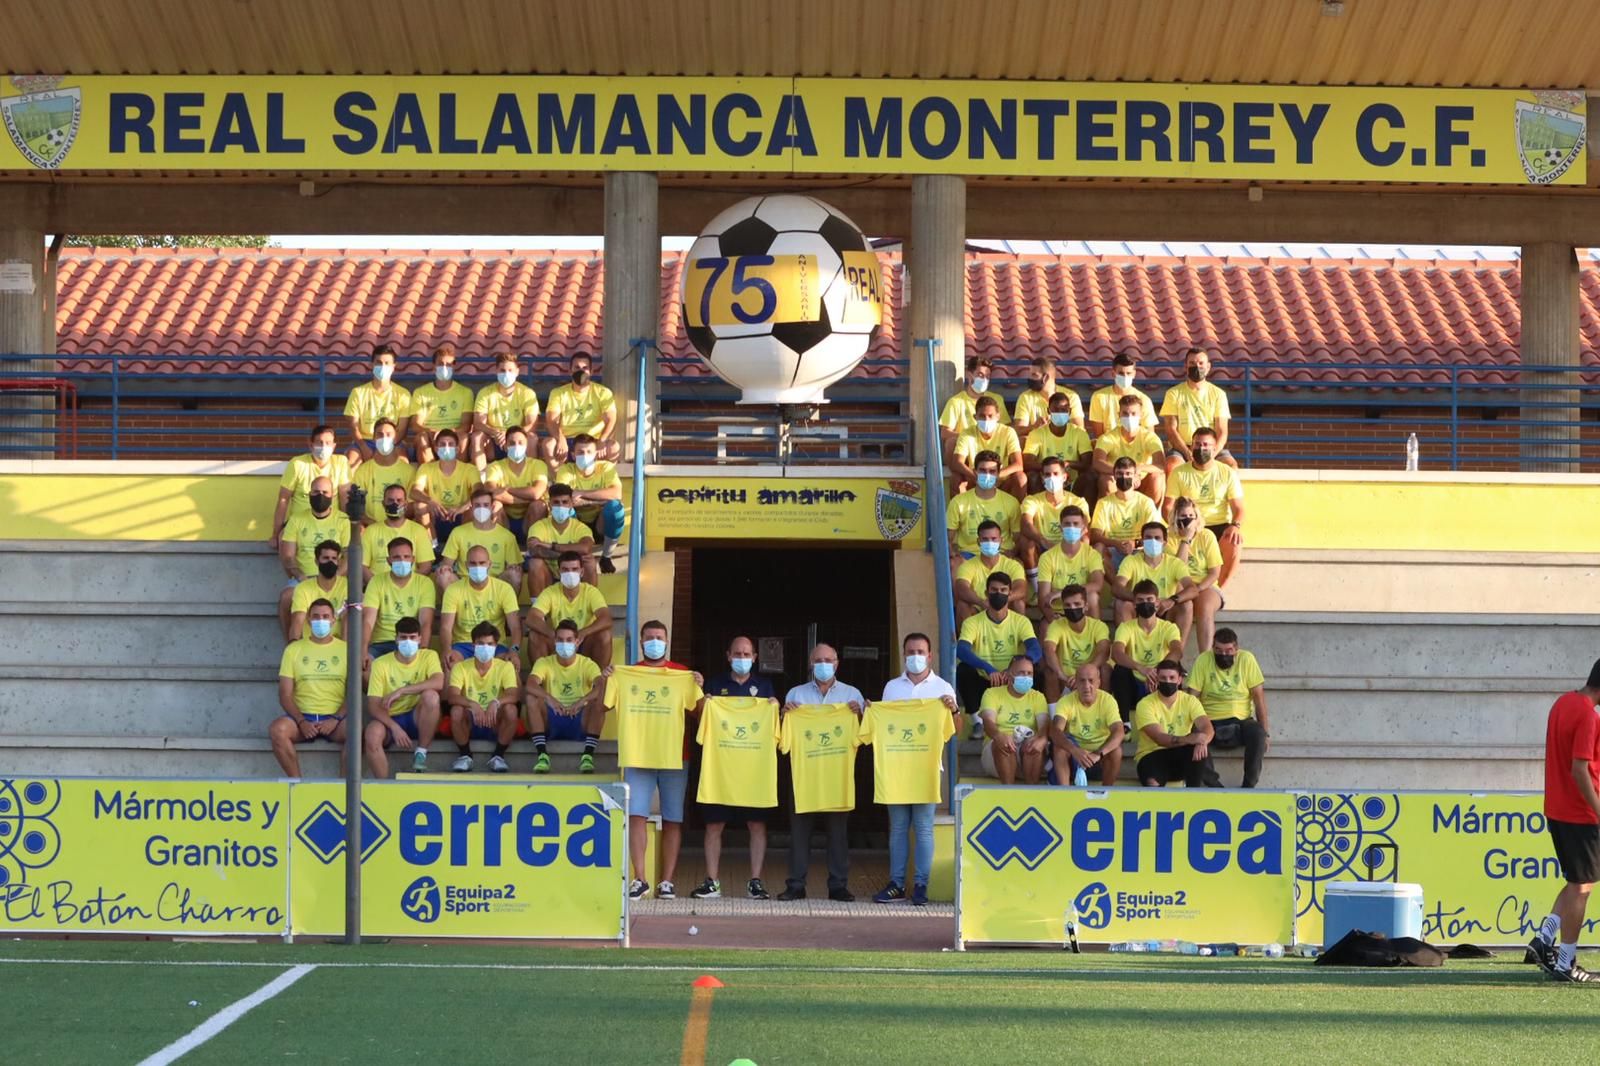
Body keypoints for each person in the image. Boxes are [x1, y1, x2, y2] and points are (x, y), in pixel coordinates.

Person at [609, 619, 704, 901]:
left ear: (667, 641)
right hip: (638, 755)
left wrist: (698, 685)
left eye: (659, 637)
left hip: (676, 755)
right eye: (649, 637)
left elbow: (699, 713)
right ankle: (640, 879)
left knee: (673, 818)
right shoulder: (627, 673)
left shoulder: (681, 674)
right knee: (636, 814)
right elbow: (604, 704)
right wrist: (606, 678)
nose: (654, 641)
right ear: (641, 642)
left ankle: (667, 881)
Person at [1529, 662, 1600, 982]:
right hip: (1579, 812)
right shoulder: (1587, 713)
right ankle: (1565, 963)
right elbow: (1579, 769)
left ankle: (1544, 938)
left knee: (1576, 881)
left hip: (1558, 809)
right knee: (1582, 887)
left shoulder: (1563, 702)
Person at [862, 680, 961, 906]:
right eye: (910, 652)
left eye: (920, 652)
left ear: (928, 657)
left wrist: (953, 709)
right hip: (895, 770)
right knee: (898, 829)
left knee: (924, 829)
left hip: (926, 770)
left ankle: (920, 886)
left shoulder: (943, 688)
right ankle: (896, 885)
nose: (914, 657)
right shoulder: (891, 688)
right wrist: (872, 711)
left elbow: (955, 730)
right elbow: (879, 724)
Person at [780, 643, 867, 902]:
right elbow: (784, 739)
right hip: (803, 777)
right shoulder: (795, 695)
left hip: (836, 777)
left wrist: (860, 715)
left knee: (838, 835)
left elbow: (864, 736)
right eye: (818, 659)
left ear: (837, 663)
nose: (823, 664)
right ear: (810, 663)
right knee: (798, 834)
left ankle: (838, 885)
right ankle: (796, 884)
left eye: (828, 659)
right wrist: (786, 717)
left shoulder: (853, 695)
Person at [691, 659, 781, 902]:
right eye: (737, 653)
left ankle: (755, 882)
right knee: (714, 826)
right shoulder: (715, 684)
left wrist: (774, 707)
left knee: (756, 825)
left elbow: (776, 732)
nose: (742, 657)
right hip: (720, 771)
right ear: (728, 656)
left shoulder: (765, 687)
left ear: (754, 657)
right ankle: (712, 882)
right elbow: (701, 724)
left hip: (753, 772)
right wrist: (704, 705)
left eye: (746, 653)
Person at [270, 599, 348, 778]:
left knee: (357, 733)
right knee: (277, 730)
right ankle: (297, 783)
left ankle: (344, 787)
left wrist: (336, 718)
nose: (321, 621)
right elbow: (285, 694)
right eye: (316, 617)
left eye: (326, 616)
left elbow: (353, 694)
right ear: (308, 620)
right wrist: (301, 721)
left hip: (335, 719)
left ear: (334, 620)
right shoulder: (293, 650)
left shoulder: (346, 650)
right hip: (303, 717)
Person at [362, 616, 444, 778]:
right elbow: (373, 705)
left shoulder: (429, 656)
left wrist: (402, 690)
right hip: (390, 719)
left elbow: (438, 682)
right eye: (403, 637)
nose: (408, 642)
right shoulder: (381, 664)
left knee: (431, 696)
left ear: (420, 638)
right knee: (372, 735)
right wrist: (394, 727)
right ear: (396, 639)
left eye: (412, 637)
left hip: (417, 717)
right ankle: (383, 785)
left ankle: (421, 752)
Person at [1187, 629, 1269, 788]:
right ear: (1212, 648)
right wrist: (1194, 729)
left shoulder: (1247, 659)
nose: (1223, 655)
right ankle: (1215, 788)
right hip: (1210, 722)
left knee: (1258, 734)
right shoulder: (1203, 660)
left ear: (1236, 649)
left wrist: (1266, 732)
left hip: (1241, 721)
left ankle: (1248, 787)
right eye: (1218, 651)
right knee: (1191, 741)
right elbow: (1191, 698)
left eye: (1228, 651)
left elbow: (1259, 699)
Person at [1165, 426, 1246, 587]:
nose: (1201, 448)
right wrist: (1181, 525)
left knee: (1235, 542)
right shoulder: (1179, 473)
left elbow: (1239, 508)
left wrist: (1235, 526)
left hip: (1218, 525)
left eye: (1206, 445)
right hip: (1188, 524)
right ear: (1191, 446)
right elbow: (1168, 506)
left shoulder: (1227, 472)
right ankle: (1180, 590)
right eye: (1197, 444)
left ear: (1215, 448)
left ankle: (1218, 590)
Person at [955, 571, 1042, 719]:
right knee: (964, 670)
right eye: (994, 590)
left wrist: (1014, 668)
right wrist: (988, 669)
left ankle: (1032, 714)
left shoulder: (1021, 621)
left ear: (1010, 593)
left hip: (1012, 679)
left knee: (1036, 671)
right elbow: (962, 650)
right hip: (986, 679)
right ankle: (977, 722)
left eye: (1003, 590)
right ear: (986, 593)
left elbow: (1035, 649)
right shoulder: (973, 622)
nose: (998, 594)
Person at [525, 618, 605, 774]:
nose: (564, 644)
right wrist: (549, 698)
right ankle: (542, 755)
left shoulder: (587, 663)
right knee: (531, 698)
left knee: (600, 699)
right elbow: (530, 684)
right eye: (560, 640)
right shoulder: (544, 662)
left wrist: (582, 701)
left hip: (579, 719)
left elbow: (602, 686)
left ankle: (587, 755)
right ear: (554, 641)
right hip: (553, 717)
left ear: (577, 642)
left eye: (569, 640)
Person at [277, 478, 350, 640]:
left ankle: (346, 652)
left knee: (355, 604)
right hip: (303, 577)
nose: (320, 496)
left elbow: (349, 556)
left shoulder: (343, 520)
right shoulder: (296, 519)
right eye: (316, 492)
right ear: (309, 494)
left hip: (335, 577)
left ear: (333, 495)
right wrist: (299, 575)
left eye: (325, 492)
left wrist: (335, 577)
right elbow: (288, 556)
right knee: (286, 597)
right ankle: (291, 645)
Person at [445, 621, 520, 773]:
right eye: (481, 643)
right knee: (457, 710)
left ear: (496, 646)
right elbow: (452, 697)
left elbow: (514, 694)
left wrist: (496, 702)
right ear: (473, 645)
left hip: (495, 720)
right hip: (471, 720)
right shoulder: (461, 667)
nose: (485, 647)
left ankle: (498, 756)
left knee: (511, 710)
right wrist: (472, 704)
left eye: (490, 644)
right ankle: (465, 756)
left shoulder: (505, 666)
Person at [1132, 659, 1216, 788]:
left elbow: (1207, 727)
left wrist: (1202, 740)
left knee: (1198, 750)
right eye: (1163, 678)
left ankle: (1194, 797)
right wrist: (1190, 739)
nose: (1168, 681)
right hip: (1151, 754)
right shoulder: (1145, 704)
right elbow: (1160, 738)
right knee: (1152, 783)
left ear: (1179, 680)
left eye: (1172, 677)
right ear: (1157, 679)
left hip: (1181, 754)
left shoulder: (1190, 700)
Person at [270, 424, 350, 553]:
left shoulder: (341, 462)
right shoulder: (297, 464)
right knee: (282, 538)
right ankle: (293, 574)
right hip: (299, 523)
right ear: (311, 444)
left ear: (334, 446)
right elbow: (283, 500)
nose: (324, 447)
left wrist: (348, 524)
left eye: (328, 443)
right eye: (320, 442)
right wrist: (276, 533)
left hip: (332, 522)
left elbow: (345, 497)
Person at [437, 544, 522, 666]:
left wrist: (514, 651)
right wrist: (446, 649)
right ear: (466, 565)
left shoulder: (504, 589)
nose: (477, 567)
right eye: (473, 563)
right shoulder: (453, 590)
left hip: (494, 645)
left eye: (482, 563)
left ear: (489, 564)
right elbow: (445, 627)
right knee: (450, 663)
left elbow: (516, 627)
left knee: (511, 664)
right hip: (463, 644)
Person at [553, 434, 626, 574]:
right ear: (573, 455)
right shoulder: (565, 470)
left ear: (596, 454)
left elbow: (616, 494)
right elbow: (564, 499)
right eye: (580, 452)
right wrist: (600, 499)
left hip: (600, 524)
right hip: (576, 523)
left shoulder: (606, 467)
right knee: (564, 508)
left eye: (589, 452)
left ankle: (606, 557)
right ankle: (576, 557)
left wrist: (582, 494)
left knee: (615, 508)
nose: (585, 455)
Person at [527, 551, 612, 668]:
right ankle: (541, 680)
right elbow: (531, 618)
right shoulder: (551, 592)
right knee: (535, 635)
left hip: (583, 643)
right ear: (559, 572)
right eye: (565, 570)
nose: (570, 573)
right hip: (559, 642)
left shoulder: (591, 591)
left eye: (574, 569)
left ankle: (598, 681)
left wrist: (583, 633)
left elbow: (606, 619)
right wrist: (554, 634)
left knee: (605, 635)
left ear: (582, 572)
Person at [1110, 580, 1184, 716]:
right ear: (1134, 604)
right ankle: (1125, 723)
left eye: (1149, 599)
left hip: (1158, 681)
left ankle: (1171, 715)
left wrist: (1157, 672)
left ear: (1157, 603)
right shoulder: (1126, 627)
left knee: (1174, 668)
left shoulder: (1168, 627)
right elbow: (1116, 653)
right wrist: (1141, 668)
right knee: (1120, 670)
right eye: (1140, 600)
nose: (1145, 603)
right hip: (1135, 683)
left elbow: (1177, 651)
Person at [1112, 522, 1194, 641]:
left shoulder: (1175, 563)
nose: (1152, 541)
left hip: (1164, 609)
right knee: (1121, 604)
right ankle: (1127, 650)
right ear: (1142, 541)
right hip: (1140, 608)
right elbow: (1117, 587)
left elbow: (1192, 589)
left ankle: (1176, 655)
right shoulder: (1131, 561)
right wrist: (1139, 599)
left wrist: (1172, 600)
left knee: (1187, 605)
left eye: (1157, 538)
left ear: (1164, 542)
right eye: (1148, 538)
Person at [945, 451, 1021, 579]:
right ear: (975, 472)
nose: (987, 475)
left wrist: (1013, 552)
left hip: (1001, 555)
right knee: (954, 564)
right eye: (982, 470)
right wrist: (953, 553)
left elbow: (1018, 537)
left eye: (992, 471)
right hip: (969, 555)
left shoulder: (1011, 502)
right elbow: (948, 537)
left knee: (1018, 565)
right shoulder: (958, 502)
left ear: (998, 473)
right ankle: (960, 600)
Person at [1161, 346, 1237, 473]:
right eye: (1192, 363)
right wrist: (1187, 452)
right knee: (1171, 467)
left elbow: (1222, 431)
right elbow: (1170, 429)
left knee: (1231, 467)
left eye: (1201, 363)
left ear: (1208, 367)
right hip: (1182, 448)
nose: (1197, 367)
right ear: (1185, 367)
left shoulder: (1219, 394)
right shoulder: (1173, 393)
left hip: (1211, 448)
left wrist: (1212, 454)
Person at [437, 483, 523, 593]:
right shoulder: (458, 532)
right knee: (443, 575)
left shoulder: (507, 536)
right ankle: (453, 609)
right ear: (471, 508)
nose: (481, 509)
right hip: (465, 586)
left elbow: (515, 568)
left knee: (515, 574)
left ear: (492, 507)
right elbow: (446, 564)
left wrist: (514, 569)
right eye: (477, 505)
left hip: (495, 587)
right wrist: (444, 568)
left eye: (486, 505)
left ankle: (508, 609)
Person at [361, 537, 436, 660]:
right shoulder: (376, 581)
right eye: (396, 557)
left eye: (406, 557)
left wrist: (423, 651)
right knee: (365, 668)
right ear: (388, 560)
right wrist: (363, 652)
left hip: (411, 642)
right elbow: (368, 621)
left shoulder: (425, 583)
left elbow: (426, 623)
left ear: (413, 559)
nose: (402, 561)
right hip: (381, 643)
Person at [1018, 455, 1090, 583]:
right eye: (1047, 474)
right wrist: (1043, 541)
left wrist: (1064, 545)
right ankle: (1036, 588)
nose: (1051, 478)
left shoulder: (1077, 501)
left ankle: (1077, 581)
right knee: (1025, 542)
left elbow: (1084, 527)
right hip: (1043, 545)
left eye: (1055, 473)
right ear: (1042, 478)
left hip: (1069, 544)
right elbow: (1025, 525)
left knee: (1085, 539)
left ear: (1064, 477)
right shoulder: (1032, 500)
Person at [1051, 663, 1125, 787]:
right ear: (1076, 682)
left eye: (1091, 681)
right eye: (1082, 681)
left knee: (1116, 751)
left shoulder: (1108, 700)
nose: (1086, 686)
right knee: (1059, 749)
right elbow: (1055, 731)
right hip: (1075, 758)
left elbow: (1119, 731)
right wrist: (1074, 750)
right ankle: (1064, 793)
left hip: (1099, 758)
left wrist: (1098, 754)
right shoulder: (1066, 701)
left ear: (1098, 682)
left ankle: (1105, 792)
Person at [979, 656, 1049, 784]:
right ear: (1009, 675)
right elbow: (988, 723)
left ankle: (1032, 792)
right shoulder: (991, 694)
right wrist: (999, 735)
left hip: (1026, 753)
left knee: (1034, 745)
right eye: (1021, 673)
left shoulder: (1038, 697)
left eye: (1029, 673)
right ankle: (1008, 791)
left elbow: (1044, 727)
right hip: (996, 752)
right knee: (1004, 743)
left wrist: (1042, 739)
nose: (1026, 677)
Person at [1167, 496, 1224, 651]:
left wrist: (1196, 590)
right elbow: (1177, 569)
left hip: (1205, 585)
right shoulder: (1169, 537)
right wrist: (1186, 539)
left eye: (1191, 516)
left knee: (1205, 607)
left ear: (1197, 518)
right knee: (1183, 603)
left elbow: (1214, 573)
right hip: (1179, 584)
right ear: (1175, 517)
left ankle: (1204, 659)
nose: (1188, 520)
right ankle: (1175, 657)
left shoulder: (1207, 536)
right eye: (1183, 516)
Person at [542, 353, 619, 464]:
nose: (580, 371)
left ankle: (607, 480)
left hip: (594, 440)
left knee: (614, 447)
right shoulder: (558, 393)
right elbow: (551, 420)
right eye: (577, 367)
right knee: (548, 444)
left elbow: (611, 419)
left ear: (591, 371)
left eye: (585, 368)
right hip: (568, 440)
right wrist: (560, 438)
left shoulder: (603, 392)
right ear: (570, 371)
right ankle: (559, 480)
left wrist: (602, 440)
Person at [1091, 457, 1161, 575]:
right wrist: (1116, 544)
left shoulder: (1146, 502)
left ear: (1135, 477)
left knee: (1155, 547)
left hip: (1139, 551)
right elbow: (1095, 536)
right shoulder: (1104, 503)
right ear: (1114, 476)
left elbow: (1156, 534)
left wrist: (1134, 543)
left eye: (1128, 473)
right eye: (1120, 473)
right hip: (1113, 551)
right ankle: (1116, 588)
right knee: (1098, 548)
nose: (1124, 477)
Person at [1041, 583, 1110, 703]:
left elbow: (1104, 652)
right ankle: (1054, 715)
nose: (1072, 608)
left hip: (1089, 679)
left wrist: (1083, 676)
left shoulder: (1098, 626)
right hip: (1066, 680)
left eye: (1077, 604)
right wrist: (1061, 675)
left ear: (1086, 606)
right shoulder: (1056, 625)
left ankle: (1103, 706)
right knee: (1050, 671)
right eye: (1068, 605)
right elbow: (1049, 649)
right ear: (1062, 607)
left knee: (1105, 669)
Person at [344, 344, 411, 466]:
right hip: (364, 441)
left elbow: (401, 429)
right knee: (350, 463)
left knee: (404, 464)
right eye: (379, 362)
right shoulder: (358, 393)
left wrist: (386, 448)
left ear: (394, 366)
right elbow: (353, 427)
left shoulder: (403, 394)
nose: (382, 366)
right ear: (372, 365)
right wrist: (364, 448)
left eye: (387, 363)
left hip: (392, 442)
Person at [1037, 506, 1105, 626]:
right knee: (1045, 628)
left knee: (1093, 597)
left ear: (1083, 528)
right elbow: (1043, 598)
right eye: (1067, 524)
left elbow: (1098, 584)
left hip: (1082, 611)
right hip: (1058, 612)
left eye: (1075, 524)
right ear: (1060, 528)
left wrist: (1062, 592)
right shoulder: (1047, 557)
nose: (1071, 527)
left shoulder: (1092, 554)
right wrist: (1052, 618)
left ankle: (1096, 634)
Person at [526, 483, 599, 594]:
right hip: (548, 574)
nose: (561, 506)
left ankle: (590, 603)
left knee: (589, 561)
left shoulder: (580, 528)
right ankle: (538, 607)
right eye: (556, 502)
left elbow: (585, 549)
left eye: (565, 502)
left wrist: (551, 546)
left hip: (573, 573)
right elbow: (535, 550)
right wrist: (571, 555)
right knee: (535, 563)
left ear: (571, 504)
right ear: (549, 504)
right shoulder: (539, 526)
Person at [409, 427, 476, 548]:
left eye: (450, 444)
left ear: (457, 449)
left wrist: (462, 507)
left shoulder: (469, 469)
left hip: (459, 516)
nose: (446, 447)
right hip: (436, 515)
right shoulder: (426, 468)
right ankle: (433, 547)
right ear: (435, 448)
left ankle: (463, 548)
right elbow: (414, 492)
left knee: (473, 509)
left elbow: (480, 493)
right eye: (442, 444)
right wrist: (430, 501)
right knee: (419, 506)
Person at [409, 342, 474, 464]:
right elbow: (415, 424)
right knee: (421, 438)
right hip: (429, 436)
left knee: (464, 438)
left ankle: (459, 475)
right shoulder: (420, 392)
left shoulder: (466, 392)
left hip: (454, 435)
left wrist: (446, 435)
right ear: (433, 366)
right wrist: (432, 433)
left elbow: (466, 425)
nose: (444, 367)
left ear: (453, 367)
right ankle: (430, 476)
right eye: (440, 364)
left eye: (448, 364)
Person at [1093, 393, 1165, 504]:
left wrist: (1139, 469)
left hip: (1141, 480)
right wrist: (1124, 473)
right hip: (1117, 479)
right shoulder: (1108, 437)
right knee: (1105, 481)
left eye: (1133, 413)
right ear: (1119, 415)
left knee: (1158, 478)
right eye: (1125, 413)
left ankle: (1150, 517)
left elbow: (1161, 465)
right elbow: (1097, 462)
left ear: (1141, 415)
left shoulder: (1150, 437)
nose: (1129, 417)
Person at [472, 352, 540, 468]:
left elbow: (532, 424)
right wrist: (497, 433)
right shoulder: (485, 393)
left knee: (532, 438)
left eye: (510, 370)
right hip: (495, 441)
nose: (506, 374)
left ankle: (530, 474)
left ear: (517, 372)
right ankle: (481, 478)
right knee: (477, 437)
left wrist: (510, 436)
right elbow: (478, 423)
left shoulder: (527, 393)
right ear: (496, 371)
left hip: (518, 441)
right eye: (502, 371)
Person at [485, 425, 549, 542]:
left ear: (527, 445)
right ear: (505, 445)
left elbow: (536, 493)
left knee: (539, 506)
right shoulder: (494, 466)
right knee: (495, 505)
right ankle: (501, 548)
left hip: (529, 518)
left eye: (521, 443)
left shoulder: (538, 465)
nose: (516, 446)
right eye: (512, 443)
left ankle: (532, 546)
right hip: (506, 519)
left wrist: (508, 489)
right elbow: (493, 492)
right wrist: (527, 497)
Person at [951, 395, 1024, 498]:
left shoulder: (1008, 432)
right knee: (955, 478)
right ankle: (961, 511)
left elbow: (1018, 464)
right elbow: (957, 462)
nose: (986, 419)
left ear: (998, 417)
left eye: (990, 416)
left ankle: (1016, 512)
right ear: (975, 417)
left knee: (1021, 478)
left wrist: (996, 476)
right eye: (982, 416)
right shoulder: (967, 433)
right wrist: (976, 476)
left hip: (1001, 480)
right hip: (976, 479)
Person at [953, 520, 1026, 622]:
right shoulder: (967, 566)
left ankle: (1018, 637)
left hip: (1005, 607)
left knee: (1019, 603)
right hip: (980, 608)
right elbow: (962, 589)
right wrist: (981, 602)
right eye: (985, 539)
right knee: (962, 605)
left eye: (994, 539)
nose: (990, 542)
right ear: (978, 542)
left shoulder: (1013, 565)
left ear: (1001, 540)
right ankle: (966, 638)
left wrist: (1001, 601)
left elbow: (1021, 589)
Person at [1023, 392, 1094, 496]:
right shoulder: (1036, 434)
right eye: (1056, 410)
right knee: (1032, 477)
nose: (1060, 413)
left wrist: (1068, 464)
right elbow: (1027, 462)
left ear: (1070, 411)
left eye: (1064, 410)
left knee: (1090, 477)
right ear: (1048, 411)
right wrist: (1053, 468)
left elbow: (1087, 463)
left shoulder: (1080, 433)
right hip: (1046, 482)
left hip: (1072, 482)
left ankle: (1086, 512)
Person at [360, 483, 436, 580]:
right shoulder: (371, 531)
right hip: (378, 590)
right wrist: (377, 586)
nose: (394, 504)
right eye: (390, 500)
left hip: (410, 589)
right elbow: (362, 566)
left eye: (399, 500)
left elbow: (426, 567)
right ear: (383, 504)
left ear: (406, 504)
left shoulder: (419, 530)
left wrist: (405, 584)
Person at [938, 357, 1008, 457]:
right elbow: (945, 433)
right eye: (980, 375)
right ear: (969, 375)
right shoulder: (956, 402)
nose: (984, 380)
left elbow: (1006, 428)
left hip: (993, 449)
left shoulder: (997, 400)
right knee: (951, 443)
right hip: (967, 449)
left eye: (987, 377)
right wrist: (968, 437)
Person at [351, 418, 415, 524]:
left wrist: (393, 523)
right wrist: (376, 527)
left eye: (388, 434)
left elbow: (412, 507)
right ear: (374, 439)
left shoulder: (409, 471)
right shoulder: (362, 471)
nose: (384, 438)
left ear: (395, 439)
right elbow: (357, 507)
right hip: (372, 530)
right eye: (380, 435)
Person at [286, 539, 347, 642]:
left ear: (339, 562)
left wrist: (344, 651)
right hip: (310, 644)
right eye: (326, 558)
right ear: (316, 561)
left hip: (338, 645)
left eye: (334, 558)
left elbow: (349, 620)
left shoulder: (348, 586)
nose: (330, 562)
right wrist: (294, 644)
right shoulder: (303, 588)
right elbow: (298, 620)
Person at [1087, 352, 1158, 439]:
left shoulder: (1144, 400)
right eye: (1121, 373)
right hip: (1109, 448)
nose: (1125, 377)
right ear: (1113, 374)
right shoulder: (1099, 397)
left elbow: (1150, 436)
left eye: (1128, 373)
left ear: (1134, 374)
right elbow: (1099, 436)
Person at [1012, 356, 1083, 440]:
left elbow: (1080, 430)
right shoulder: (1025, 397)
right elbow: (1018, 430)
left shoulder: (1071, 397)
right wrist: (1034, 427)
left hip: (1066, 442)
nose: (1029, 379)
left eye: (1034, 375)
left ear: (1046, 378)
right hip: (1038, 444)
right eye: (1030, 375)